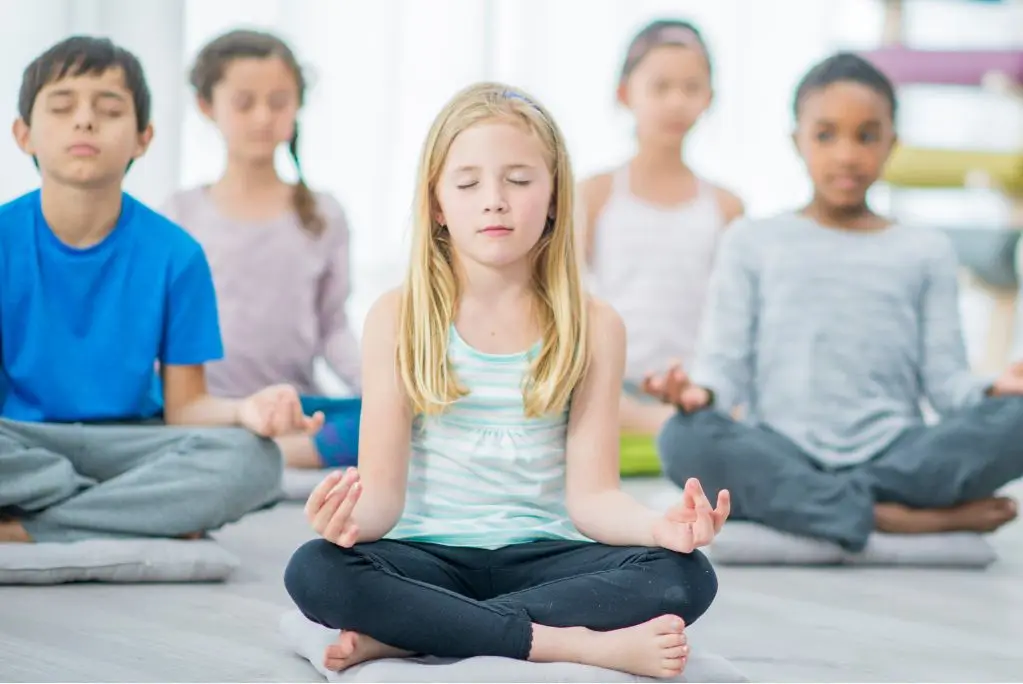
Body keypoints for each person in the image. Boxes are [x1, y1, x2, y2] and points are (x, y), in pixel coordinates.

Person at [283, 82, 728, 678]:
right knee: (315, 570)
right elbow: (382, 500)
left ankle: (416, 633)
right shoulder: (397, 315)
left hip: (548, 557)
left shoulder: (596, 325)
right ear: (437, 204)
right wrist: (345, 522)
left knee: (685, 576)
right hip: (424, 556)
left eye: (518, 180)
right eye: (467, 184)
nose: (494, 201)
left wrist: (661, 527)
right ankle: (568, 644)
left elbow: (593, 499)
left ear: (554, 197)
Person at [644, 52, 1023, 554]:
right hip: (781, 451)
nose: (846, 155)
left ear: (892, 144)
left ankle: (825, 507)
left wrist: (993, 388)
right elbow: (724, 368)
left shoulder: (925, 249)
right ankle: (889, 517)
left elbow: (947, 384)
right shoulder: (751, 241)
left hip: (895, 456)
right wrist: (700, 394)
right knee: (682, 438)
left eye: (866, 136)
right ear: (797, 141)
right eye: (826, 135)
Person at [0, 36, 324, 544]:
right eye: (62, 108)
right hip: (22, 443)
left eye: (109, 110)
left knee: (253, 461)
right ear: (24, 135)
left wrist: (244, 410)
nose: (84, 121)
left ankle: (32, 525)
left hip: (134, 443)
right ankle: (133, 509)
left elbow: (186, 408)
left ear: (143, 138)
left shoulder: (177, 254)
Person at [161, 29, 361, 471]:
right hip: (210, 409)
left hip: (296, 410)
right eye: (244, 102)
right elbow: (157, 330)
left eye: (279, 102)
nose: (262, 117)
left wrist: (382, 390)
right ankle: (252, 455)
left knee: (392, 421)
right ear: (206, 106)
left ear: (297, 106)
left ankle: (268, 455)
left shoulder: (323, 214)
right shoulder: (180, 213)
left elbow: (333, 327)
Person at [577, 20, 744, 440]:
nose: (676, 102)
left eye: (691, 88)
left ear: (709, 98)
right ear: (625, 93)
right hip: (612, 386)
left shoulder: (726, 206)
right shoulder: (594, 194)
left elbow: (735, 319)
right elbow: (564, 301)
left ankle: (682, 421)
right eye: (660, 87)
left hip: (695, 387)